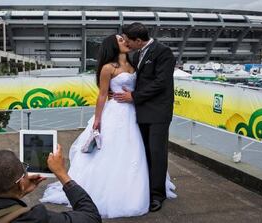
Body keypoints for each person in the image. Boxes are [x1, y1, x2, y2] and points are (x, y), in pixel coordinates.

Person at [41, 34, 176, 218]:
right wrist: (97, 120)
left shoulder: (134, 61)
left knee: (134, 151)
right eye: (121, 41)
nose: (125, 42)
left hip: (133, 112)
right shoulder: (108, 68)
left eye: (125, 39)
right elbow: (102, 95)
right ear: (113, 46)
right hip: (116, 113)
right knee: (112, 151)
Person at [114, 22, 176, 212]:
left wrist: (133, 96)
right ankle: (145, 189)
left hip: (158, 112)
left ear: (138, 40)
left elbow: (161, 82)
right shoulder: (137, 53)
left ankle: (157, 195)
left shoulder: (163, 52)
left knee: (157, 154)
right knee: (145, 153)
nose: (126, 44)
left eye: (128, 41)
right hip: (141, 111)